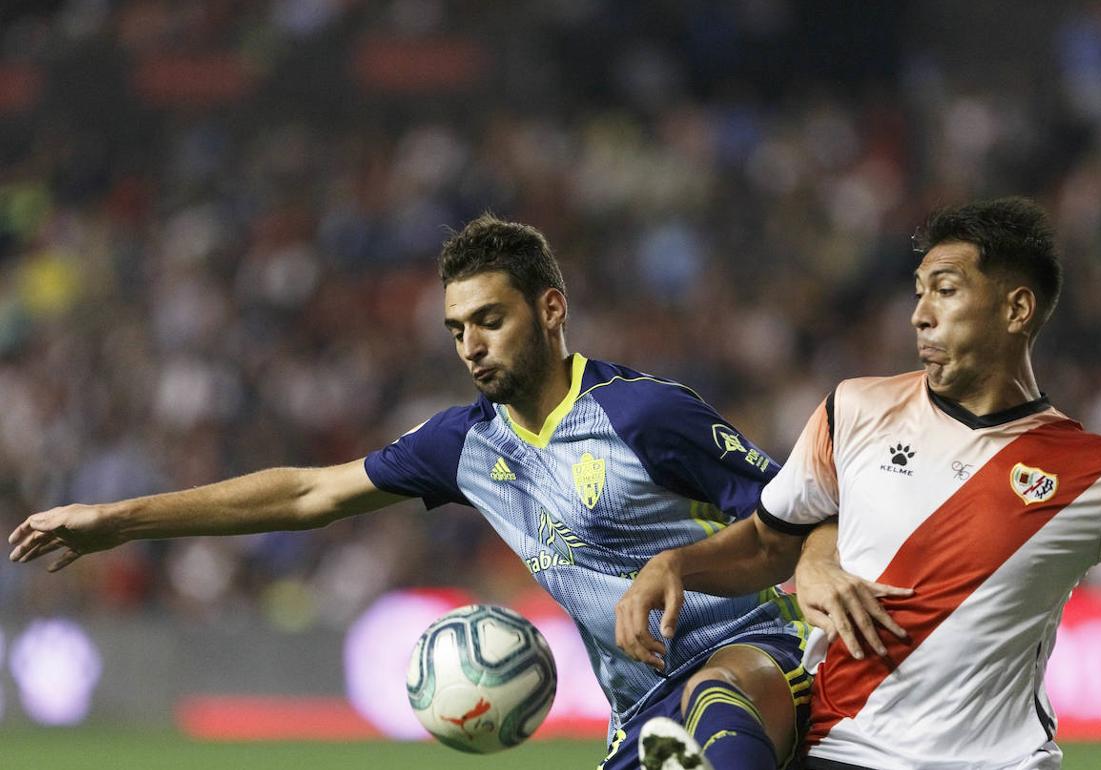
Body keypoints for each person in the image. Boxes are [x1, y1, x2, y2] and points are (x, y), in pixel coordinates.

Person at [8, 214, 812, 770]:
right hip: (642, 715)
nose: (471, 345)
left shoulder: (643, 412)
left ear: (551, 309)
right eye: (457, 329)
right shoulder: (465, 444)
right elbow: (307, 494)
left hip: (758, 663)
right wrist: (120, 520)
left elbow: (795, 518)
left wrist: (685, 564)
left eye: (490, 320)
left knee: (721, 692)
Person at [616, 197, 1101, 770]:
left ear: (1016, 309)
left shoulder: (1100, 471)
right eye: (918, 292)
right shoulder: (854, 411)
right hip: (843, 749)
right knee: (722, 687)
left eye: (944, 291)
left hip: (995, 763)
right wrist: (675, 564)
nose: (918, 315)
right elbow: (767, 543)